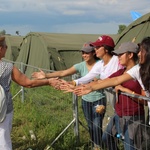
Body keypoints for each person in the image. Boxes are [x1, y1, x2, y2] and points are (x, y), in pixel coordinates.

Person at [74, 37, 150, 149]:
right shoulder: (136, 70)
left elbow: (143, 99)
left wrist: (127, 91)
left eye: (142, 51)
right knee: (108, 138)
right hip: (120, 114)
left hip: (134, 116)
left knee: (130, 146)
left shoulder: (140, 71)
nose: (139, 54)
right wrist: (88, 87)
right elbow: (112, 81)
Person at [32, 41, 103, 149]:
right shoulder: (80, 66)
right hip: (86, 100)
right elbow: (62, 73)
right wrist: (46, 75)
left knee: (97, 125)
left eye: (87, 53)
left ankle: (99, 146)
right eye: (83, 53)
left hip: (99, 99)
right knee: (91, 126)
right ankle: (95, 145)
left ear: (93, 53)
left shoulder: (101, 64)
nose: (84, 55)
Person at [58, 35, 123, 148]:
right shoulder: (100, 64)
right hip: (114, 105)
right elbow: (89, 77)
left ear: (106, 48)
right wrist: (73, 83)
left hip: (123, 103)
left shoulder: (117, 61)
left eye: (98, 47)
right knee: (110, 136)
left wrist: (91, 86)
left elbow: (117, 77)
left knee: (120, 136)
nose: (95, 49)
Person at [0, 36, 57, 150]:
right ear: (0, 48)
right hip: (3, 110)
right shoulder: (7, 67)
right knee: (3, 139)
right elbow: (28, 83)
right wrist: (48, 82)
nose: (6, 48)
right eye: (5, 46)